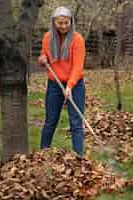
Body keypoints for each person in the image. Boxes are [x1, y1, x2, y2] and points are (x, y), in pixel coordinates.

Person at [38, 6, 86, 156]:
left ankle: (79, 158)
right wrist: (41, 59)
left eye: (67, 23)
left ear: (71, 22)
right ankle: (43, 154)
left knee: (76, 123)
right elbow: (43, 56)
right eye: (60, 23)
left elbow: (78, 67)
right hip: (54, 84)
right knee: (50, 121)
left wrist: (70, 86)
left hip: (75, 84)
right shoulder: (47, 38)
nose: (64, 26)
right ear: (54, 23)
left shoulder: (77, 40)